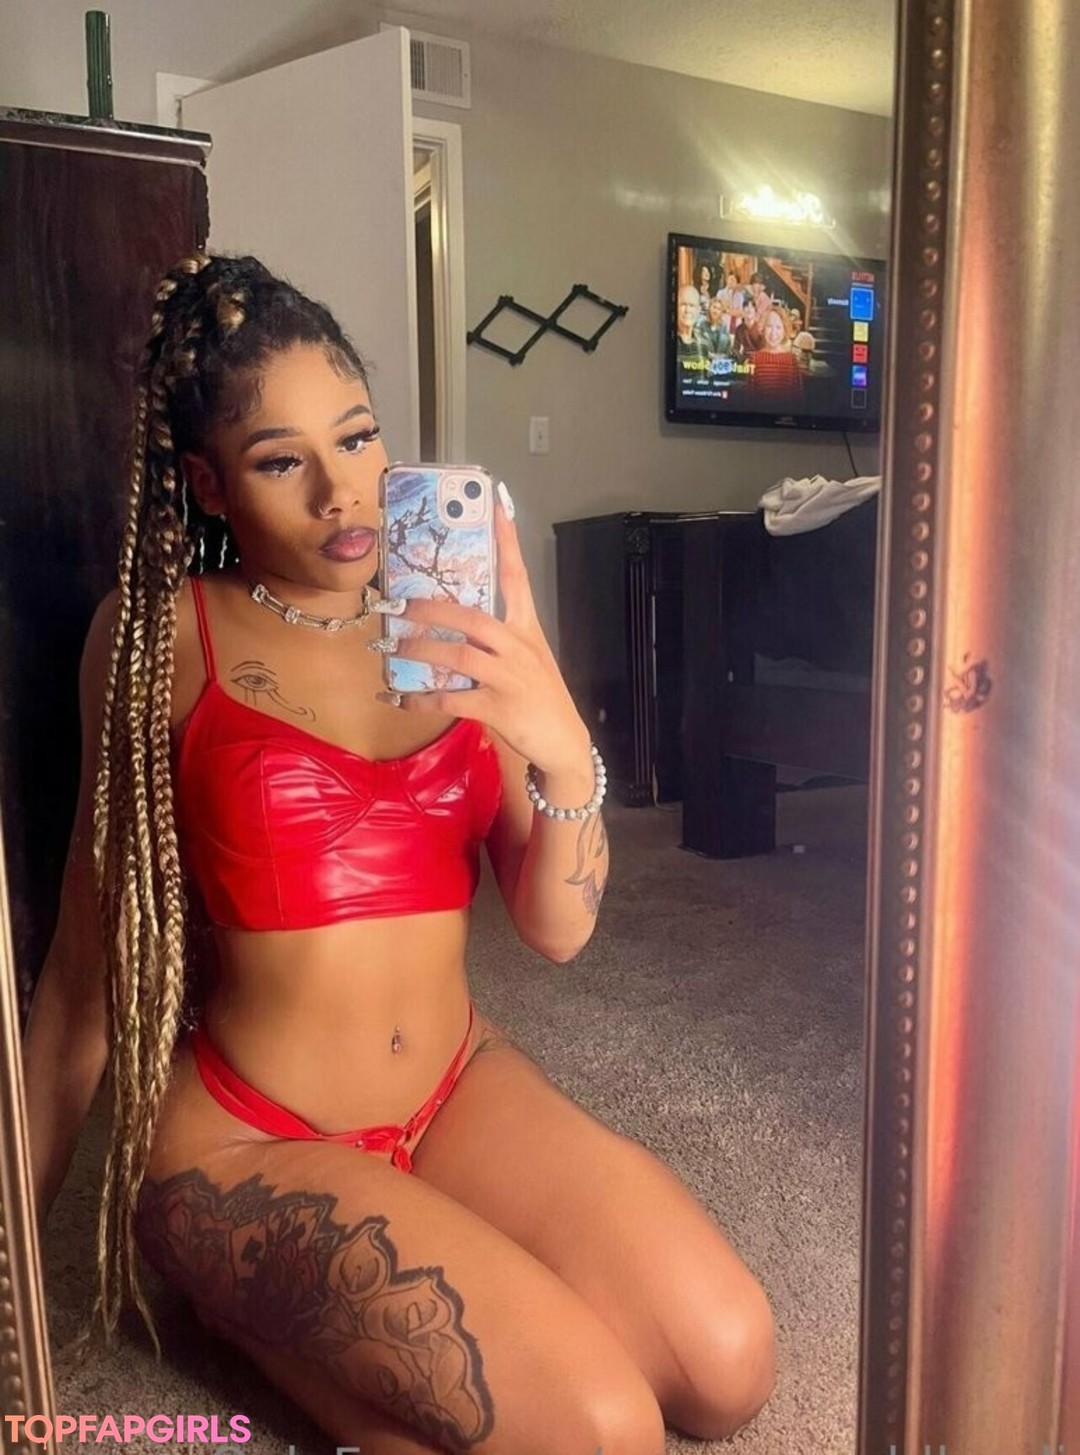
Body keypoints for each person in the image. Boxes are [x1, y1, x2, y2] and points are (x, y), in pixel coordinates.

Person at [24, 253, 775, 1455]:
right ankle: (236, 1302)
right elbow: (79, 981)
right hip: (250, 1136)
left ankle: (350, 1300)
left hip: (452, 1086)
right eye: (282, 461)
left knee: (726, 1363)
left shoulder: (460, 623)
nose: (343, 494)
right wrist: (10, 1277)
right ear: (210, 485)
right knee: (603, 1431)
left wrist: (560, 746)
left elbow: (557, 932)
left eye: (359, 438)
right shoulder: (160, 639)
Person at [747, 306, 806, 410]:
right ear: (763, 328)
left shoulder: (792, 361)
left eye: (778, 327)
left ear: (784, 330)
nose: (773, 333)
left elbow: (799, 400)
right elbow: (750, 400)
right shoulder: (754, 359)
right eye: (769, 326)